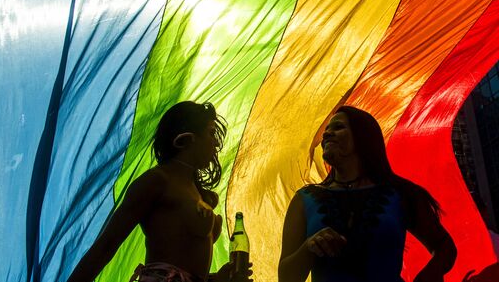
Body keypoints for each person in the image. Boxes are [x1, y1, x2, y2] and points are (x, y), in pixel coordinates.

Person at [68, 101, 249, 282]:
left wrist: (219, 279)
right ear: (187, 138)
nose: (216, 143)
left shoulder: (198, 192)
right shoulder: (156, 181)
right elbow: (106, 245)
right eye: (210, 133)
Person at [279, 106, 457, 282]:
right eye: (326, 131)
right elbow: (286, 278)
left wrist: (428, 275)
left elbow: (445, 248)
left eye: (338, 127)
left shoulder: (402, 194)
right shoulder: (304, 199)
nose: (326, 134)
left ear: (363, 137)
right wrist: (309, 247)